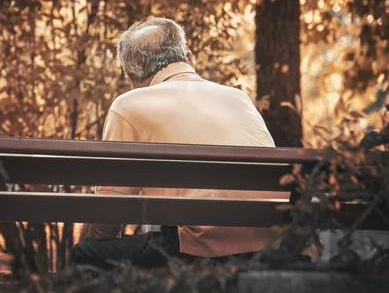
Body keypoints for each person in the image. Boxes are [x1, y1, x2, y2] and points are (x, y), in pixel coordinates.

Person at [70, 17, 278, 268]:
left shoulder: (128, 105)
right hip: (276, 239)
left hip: (201, 248)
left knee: (83, 254)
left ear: (131, 77)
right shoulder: (238, 97)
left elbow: (107, 219)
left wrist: (88, 246)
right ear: (186, 55)